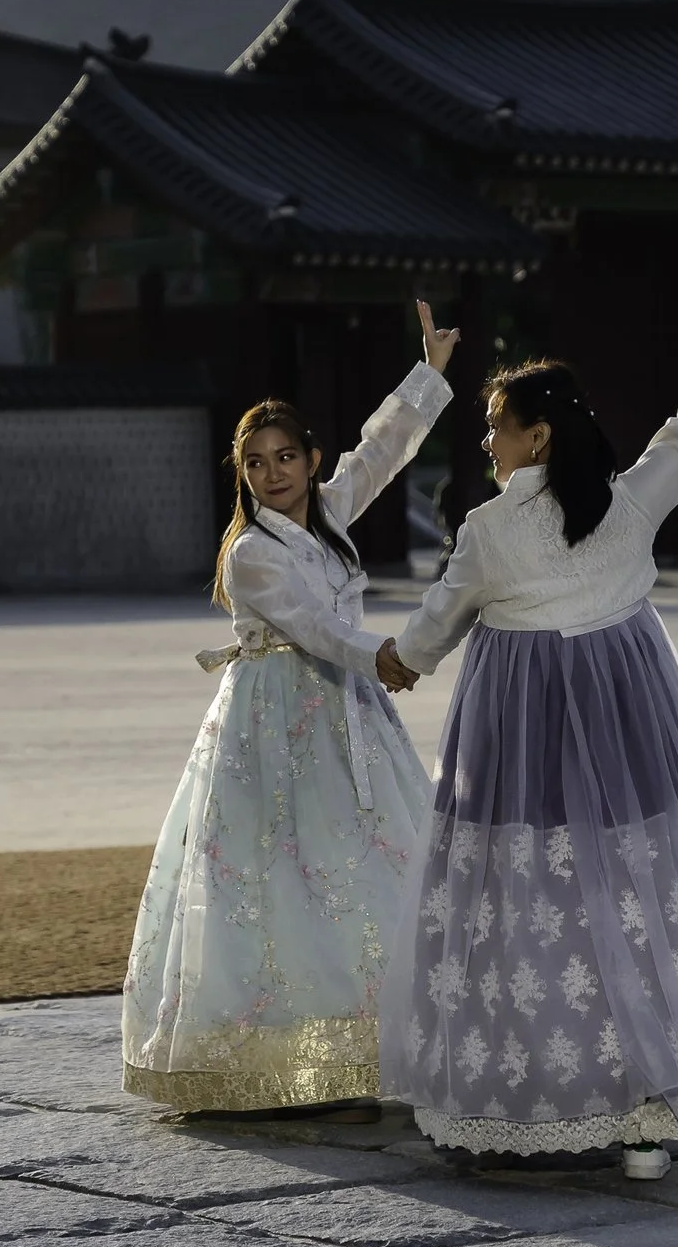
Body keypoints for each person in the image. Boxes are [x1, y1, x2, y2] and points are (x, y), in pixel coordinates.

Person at [377, 252, 678, 1180]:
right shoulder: (628, 504)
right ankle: (650, 1100)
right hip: (633, 725)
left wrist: (388, 662)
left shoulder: (490, 531)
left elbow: (430, 634)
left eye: (498, 427)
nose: (490, 442)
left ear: (538, 437)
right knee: (637, 896)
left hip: (523, 736)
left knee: (531, 902)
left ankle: (545, 1088)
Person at [120, 303, 459, 1120]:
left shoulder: (331, 515)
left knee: (361, 864)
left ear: (310, 459)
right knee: (274, 874)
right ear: (243, 475)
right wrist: (382, 656)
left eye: (286, 456)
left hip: (348, 713)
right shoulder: (249, 553)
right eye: (256, 463)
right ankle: (265, 1052)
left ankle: (364, 1043)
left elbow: (380, 452)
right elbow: (315, 628)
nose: (273, 473)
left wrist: (431, 372)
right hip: (273, 720)